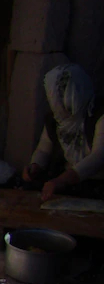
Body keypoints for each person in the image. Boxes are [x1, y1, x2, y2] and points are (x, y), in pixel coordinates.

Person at [22, 63, 104, 201]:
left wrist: (62, 180)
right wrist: (35, 166)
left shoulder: (98, 115)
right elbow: (43, 150)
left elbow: (98, 157)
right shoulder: (57, 119)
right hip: (71, 182)